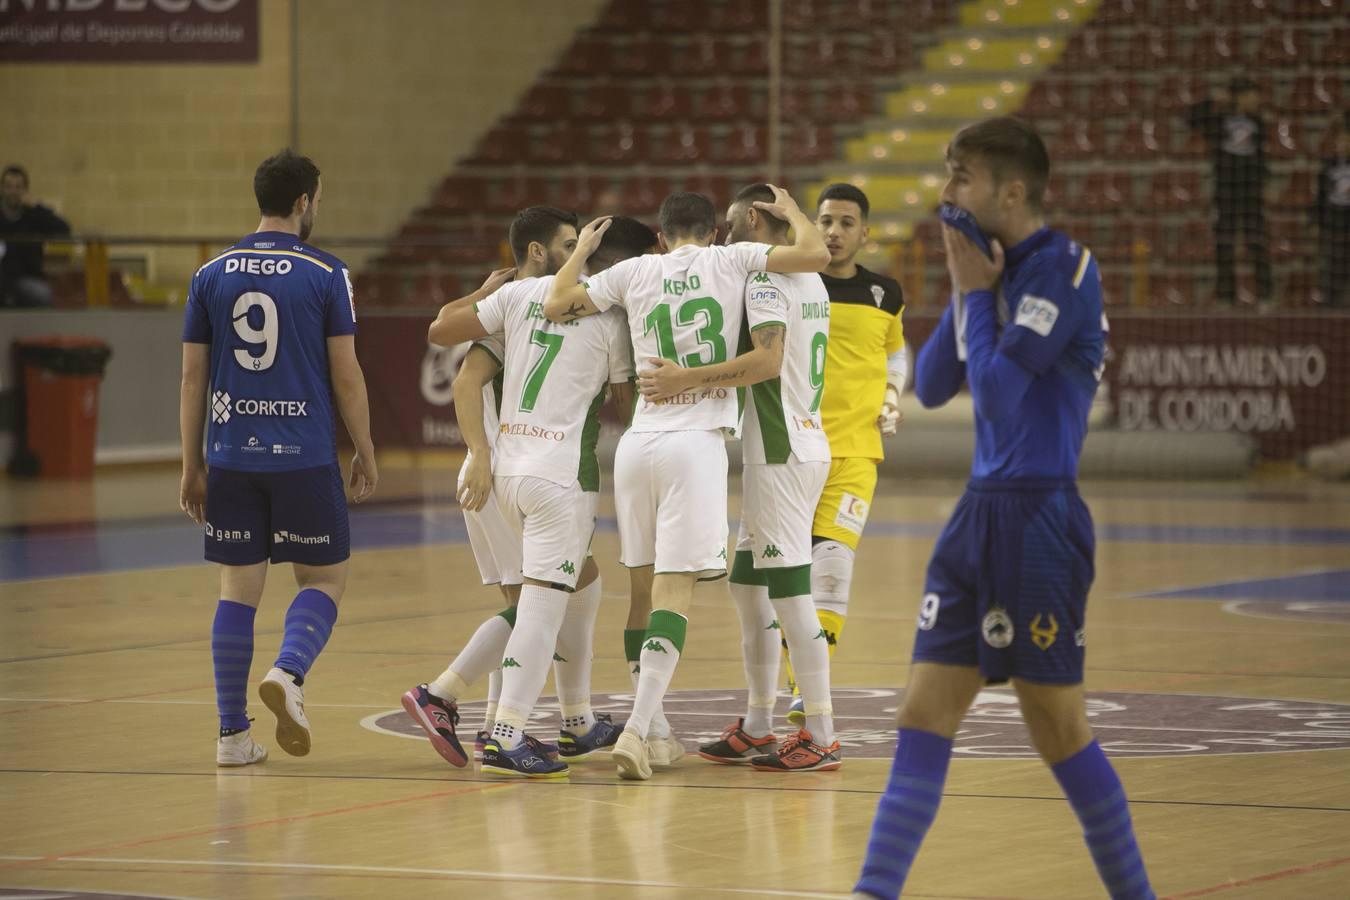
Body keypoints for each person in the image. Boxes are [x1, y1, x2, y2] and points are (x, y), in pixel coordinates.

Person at [853, 118, 1153, 899]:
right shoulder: (986, 268)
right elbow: (940, 384)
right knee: (921, 717)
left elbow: (996, 392)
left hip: (1039, 517)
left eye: (961, 178)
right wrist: (965, 292)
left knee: (1057, 729)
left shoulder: (1064, 269)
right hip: (978, 513)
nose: (947, 193)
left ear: (1009, 192)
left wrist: (978, 296)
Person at [543, 189, 830, 780]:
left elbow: (557, 303)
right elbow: (815, 254)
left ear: (662, 232)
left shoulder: (634, 270)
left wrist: (583, 250)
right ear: (711, 230)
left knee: (646, 594)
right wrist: (798, 211)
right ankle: (681, 726)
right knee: (712, 593)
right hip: (701, 445)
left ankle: (670, 729)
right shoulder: (741, 264)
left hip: (639, 447)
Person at [407, 211, 655, 777]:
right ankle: (493, 724)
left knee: (578, 589)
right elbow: (625, 403)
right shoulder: (611, 316)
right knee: (539, 608)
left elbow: (442, 330)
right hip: (554, 473)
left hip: (506, 467)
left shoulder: (520, 296)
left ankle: (575, 721)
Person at [179, 150, 377, 767]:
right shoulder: (326, 272)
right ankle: (289, 673)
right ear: (303, 202)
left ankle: (231, 736)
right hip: (303, 455)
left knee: (236, 590)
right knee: (324, 578)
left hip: (231, 454)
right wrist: (365, 449)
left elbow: (192, 378)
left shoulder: (210, 273)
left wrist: (192, 464)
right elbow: (346, 374)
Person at [641, 184, 839, 772]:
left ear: (754, 217)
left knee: (792, 597)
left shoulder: (762, 279)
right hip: (795, 445)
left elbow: (767, 362)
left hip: (781, 451)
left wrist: (689, 379)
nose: (723, 239)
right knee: (748, 588)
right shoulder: (813, 276)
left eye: (729, 226)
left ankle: (822, 732)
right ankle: (758, 723)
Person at [783, 183, 906, 727]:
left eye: (846, 223)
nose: (834, 232)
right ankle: (771, 701)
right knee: (786, 576)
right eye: (826, 220)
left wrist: (893, 396)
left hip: (856, 452)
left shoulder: (886, 293)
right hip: (793, 449)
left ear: (865, 233)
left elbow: (895, 352)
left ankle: (805, 691)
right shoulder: (790, 282)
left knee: (831, 568)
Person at [1187, 77, 1273, 306]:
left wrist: (1264, 181)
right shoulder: (1219, 119)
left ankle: (1264, 296)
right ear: (1239, 96)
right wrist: (1212, 100)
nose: (1256, 99)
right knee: (1224, 243)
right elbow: (1190, 117)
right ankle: (1227, 297)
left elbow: (1260, 155)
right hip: (1226, 191)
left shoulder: (1258, 121)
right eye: (1251, 94)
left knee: (1256, 241)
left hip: (1251, 192)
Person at [0, 165, 71, 308]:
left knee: (42, 295)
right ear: (2, 188)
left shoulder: (35, 215)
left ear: (25, 190)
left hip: (28, 278)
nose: (13, 191)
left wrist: (42, 210)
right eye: (8, 186)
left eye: (18, 187)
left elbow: (64, 229)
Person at [1312, 115, 1349, 309]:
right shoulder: (1329, 166)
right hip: (1334, 224)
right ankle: (1330, 305)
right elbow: (1320, 197)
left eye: (1345, 140)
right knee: (1333, 266)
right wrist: (1317, 222)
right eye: (1339, 140)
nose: (1341, 144)